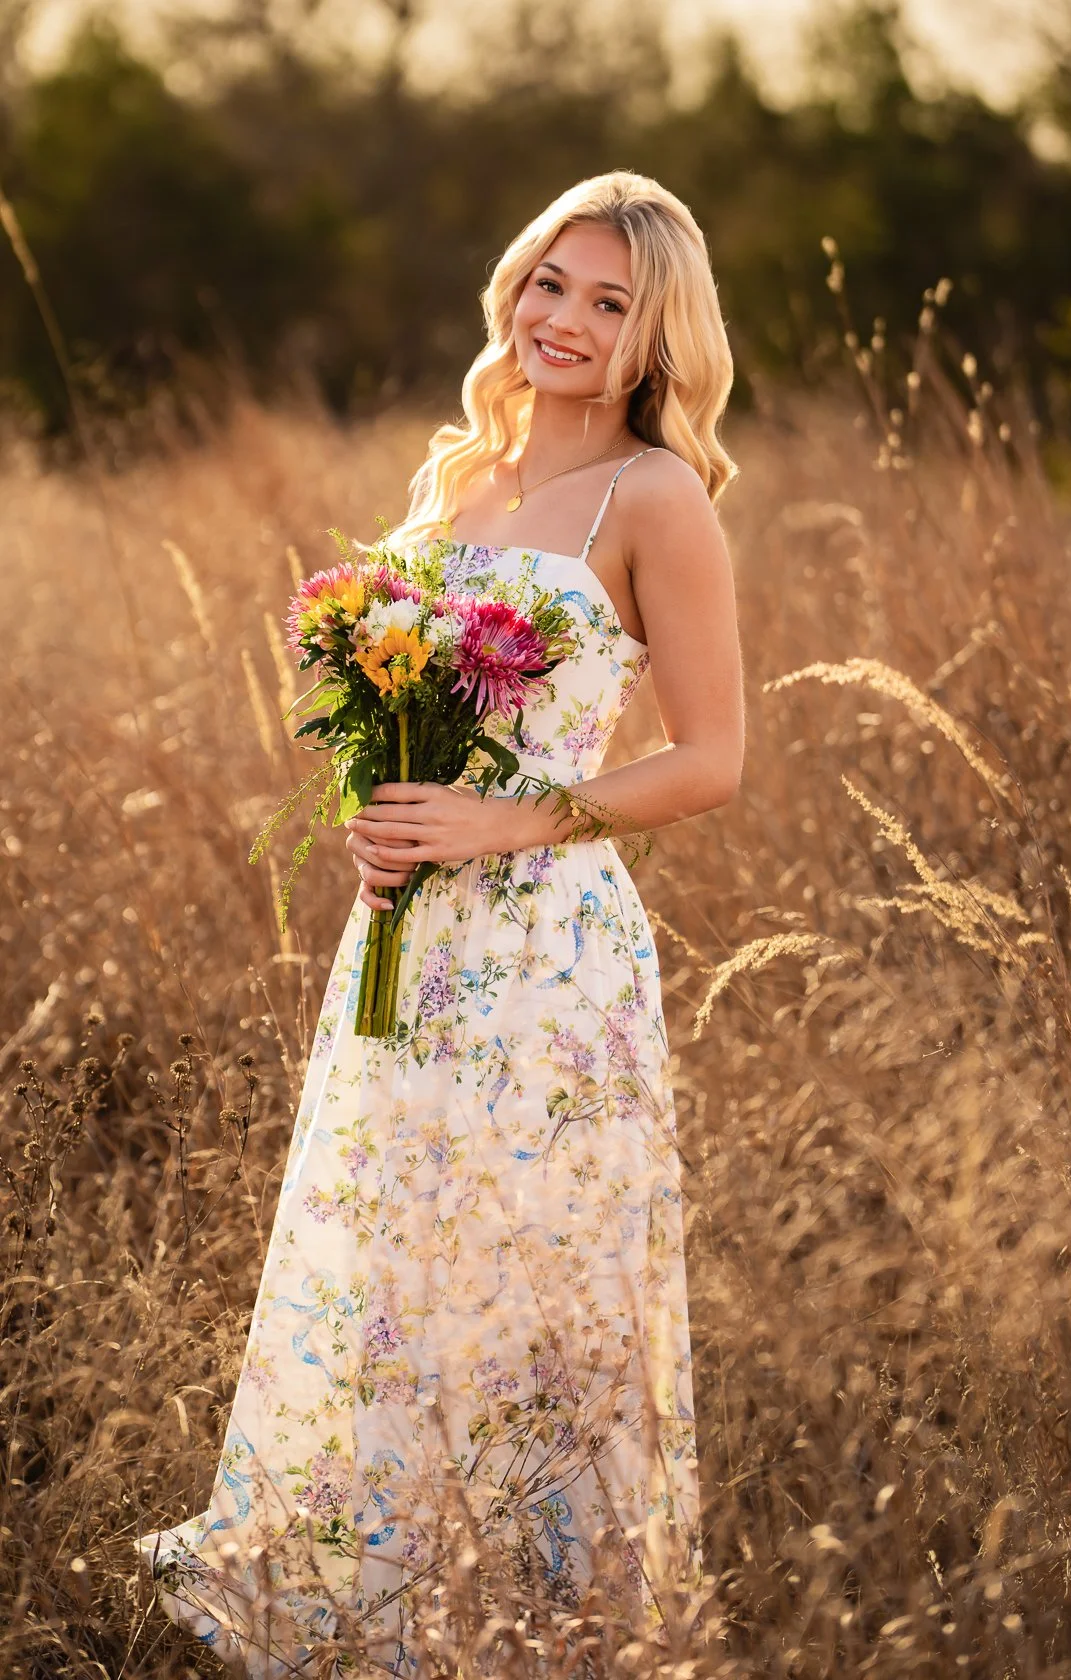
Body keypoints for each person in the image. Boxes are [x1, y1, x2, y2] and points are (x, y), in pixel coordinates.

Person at [137, 169, 744, 1677]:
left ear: (658, 340)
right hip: (409, 941)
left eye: (613, 304)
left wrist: (512, 819)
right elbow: (415, 715)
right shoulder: (455, 479)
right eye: (553, 282)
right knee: (396, 1263)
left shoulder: (653, 499)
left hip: (551, 955)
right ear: (513, 286)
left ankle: (541, 1622)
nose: (568, 321)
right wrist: (385, 809)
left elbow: (716, 757)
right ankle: (371, 1592)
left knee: (528, 1271)